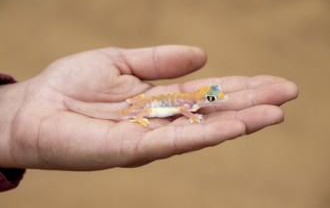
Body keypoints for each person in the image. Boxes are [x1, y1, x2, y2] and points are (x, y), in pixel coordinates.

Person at [0, 45, 298, 191]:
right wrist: (184, 116)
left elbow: (190, 105)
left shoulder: (193, 102)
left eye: (214, 97)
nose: (215, 99)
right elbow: (184, 110)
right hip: (140, 109)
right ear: (204, 98)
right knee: (134, 114)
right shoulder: (188, 105)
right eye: (213, 97)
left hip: (143, 104)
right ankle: (137, 115)